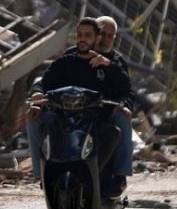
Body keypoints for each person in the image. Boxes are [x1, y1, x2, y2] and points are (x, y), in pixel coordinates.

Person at [26, 17, 134, 197]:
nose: (105, 39)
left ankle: (119, 175)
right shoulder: (69, 58)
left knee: (122, 121)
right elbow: (45, 81)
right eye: (81, 35)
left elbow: (126, 90)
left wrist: (122, 105)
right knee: (33, 121)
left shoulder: (112, 61)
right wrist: (37, 97)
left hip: (100, 115)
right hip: (66, 115)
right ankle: (41, 175)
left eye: (110, 36)